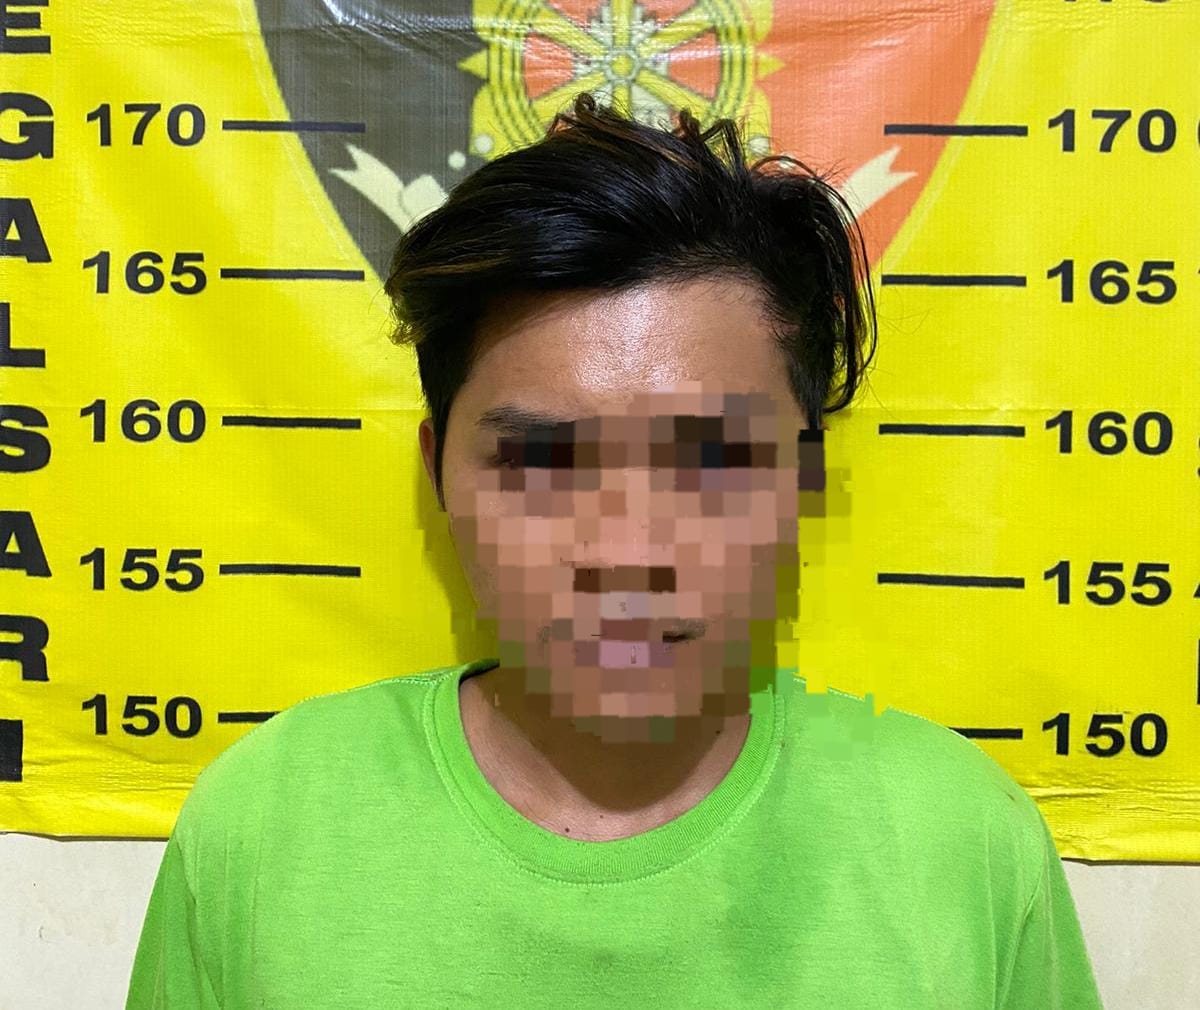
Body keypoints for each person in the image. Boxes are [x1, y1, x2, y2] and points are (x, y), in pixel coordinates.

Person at [126, 92, 1103, 1008]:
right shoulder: (264, 828)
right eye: (542, 459)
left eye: (713, 460)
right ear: (438, 473)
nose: (629, 550)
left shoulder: (962, 844)